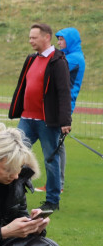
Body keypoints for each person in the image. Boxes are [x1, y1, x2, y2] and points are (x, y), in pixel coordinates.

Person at [7, 22, 71, 212]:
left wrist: (65, 121)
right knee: (14, 155)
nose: (30, 41)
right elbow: (22, 86)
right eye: (30, 37)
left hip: (46, 121)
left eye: (34, 37)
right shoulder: (31, 59)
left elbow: (63, 92)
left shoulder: (58, 61)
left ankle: (52, 200)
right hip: (26, 119)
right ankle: (13, 192)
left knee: (51, 160)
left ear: (46, 37)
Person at [50, 27, 83, 192]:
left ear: (70, 41)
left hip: (64, 107)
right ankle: (55, 184)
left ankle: (58, 185)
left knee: (57, 145)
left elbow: (53, 70)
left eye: (61, 40)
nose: (58, 42)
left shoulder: (74, 58)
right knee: (56, 144)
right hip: (59, 105)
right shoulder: (68, 57)